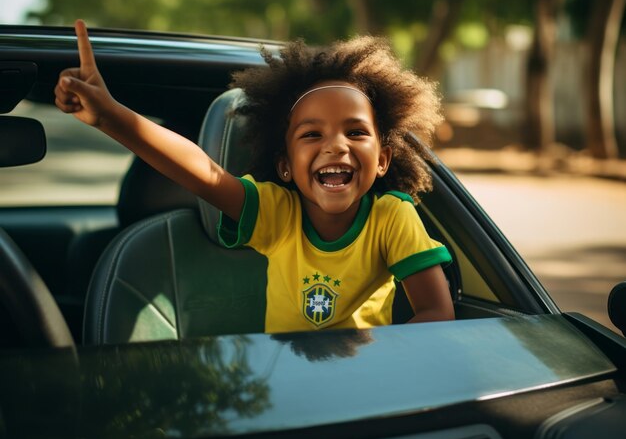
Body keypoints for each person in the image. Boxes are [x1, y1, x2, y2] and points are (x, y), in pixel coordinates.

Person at [55, 20, 454, 333]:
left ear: (383, 159)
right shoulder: (277, 214)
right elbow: (204, 173)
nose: (335, 146)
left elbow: (437, 312)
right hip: (286, 388)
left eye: (355, 132)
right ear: (285, 166)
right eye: (312, 134)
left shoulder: (392, 217)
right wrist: (110, 116)